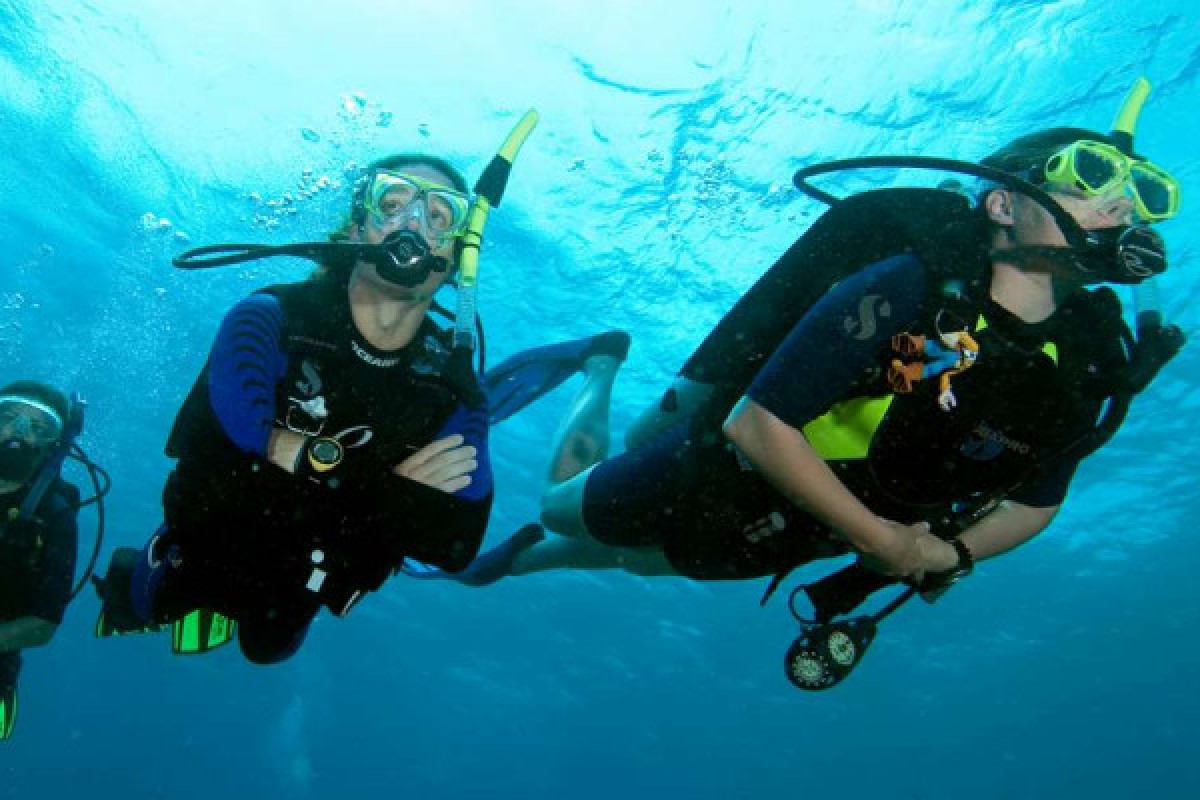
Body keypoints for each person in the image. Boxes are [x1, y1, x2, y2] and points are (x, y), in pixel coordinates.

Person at [419, 86, 1185, 644]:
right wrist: (888, 544)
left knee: (640, 564)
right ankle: (599, 369)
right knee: (563, 506)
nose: (1124, 206)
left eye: (1147, 193)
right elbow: (757, 425)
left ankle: (525, 559)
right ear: (1003, 203)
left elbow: (1039, 501)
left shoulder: (1089, 360)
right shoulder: (912, 286)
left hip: (816, 532)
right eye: (1091, 174)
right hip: (729, 471)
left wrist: (946, 551)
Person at [93, 148, 631, 665]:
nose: (413, 222)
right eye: (391, 203)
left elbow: (455, 543)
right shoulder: (269, 316)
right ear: (356, 229)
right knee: (139, 604)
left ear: (453, 258)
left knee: (267, 651)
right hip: (205, 543)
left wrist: (295, 452)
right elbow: (229, 432)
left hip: (306, 582)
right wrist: (394, 489)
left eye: (439, 215)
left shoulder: (452, 383)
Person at [0, 382, 81, 738]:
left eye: (39, 427)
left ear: (54, 443)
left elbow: (44, 623)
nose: (19, 433)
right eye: (9, 417)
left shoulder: (54, 515)